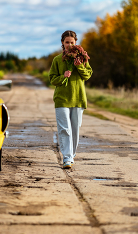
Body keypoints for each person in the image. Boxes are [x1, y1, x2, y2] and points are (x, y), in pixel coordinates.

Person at [49, 30, 93, 169]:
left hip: (78, 98)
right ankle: (67, 158)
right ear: (62, 43)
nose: (69, 45)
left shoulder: (82, 58)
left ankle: (71, 156)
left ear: (76, 43)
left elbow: (87, 75)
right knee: (64, 129)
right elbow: (52, 79)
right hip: (62, 99)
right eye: (66, 42)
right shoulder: (57, 60)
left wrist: (79, 65)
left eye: (72, 42)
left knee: (75, 129)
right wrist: (63, 76)